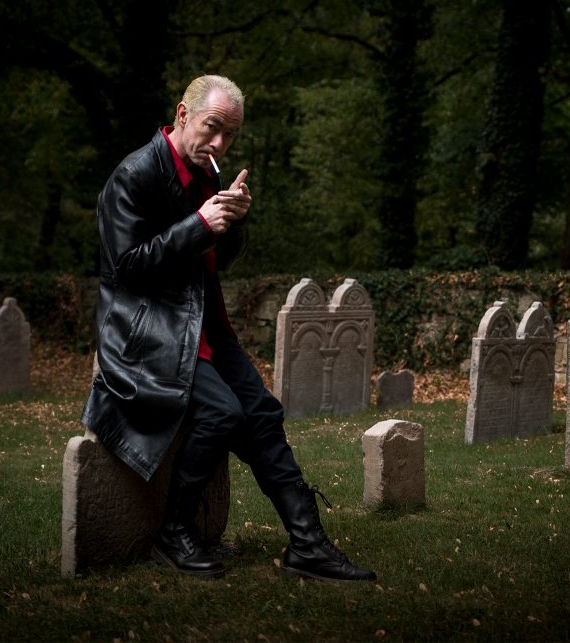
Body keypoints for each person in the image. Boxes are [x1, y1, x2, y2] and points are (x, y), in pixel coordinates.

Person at [81, 74, 376, 582]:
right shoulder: (134, 174)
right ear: (182, 115)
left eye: (230, 136)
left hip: (202, 328)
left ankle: (308, 543)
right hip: (146, 333)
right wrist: (199, 224)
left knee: (261, 413)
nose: (219, 144)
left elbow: (217, 258)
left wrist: (232, 221)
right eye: (212, 128)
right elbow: (125, 267)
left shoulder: (207, 173)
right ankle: (173, 534)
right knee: (221, 412)